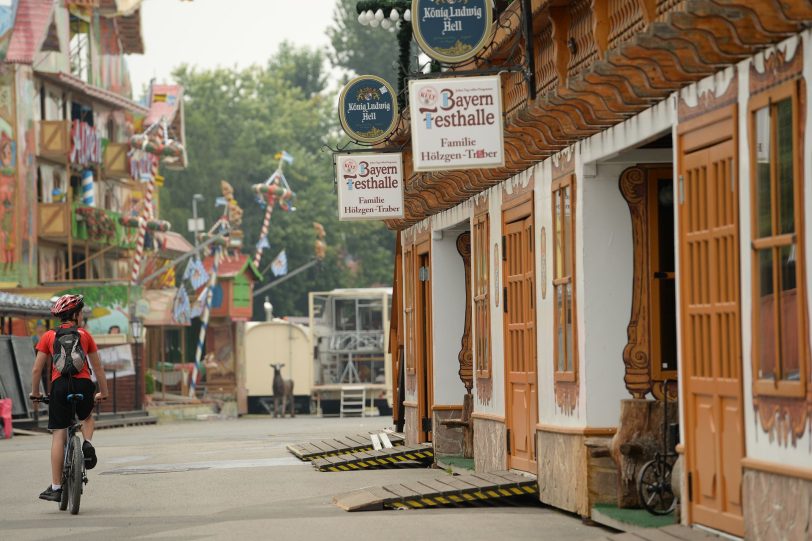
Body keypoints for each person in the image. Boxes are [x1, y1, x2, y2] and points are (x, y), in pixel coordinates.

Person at [30, 294, 108, 502]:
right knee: (87, 417)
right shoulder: (85, 335)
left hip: (59, 387)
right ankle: (87, 443)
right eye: (81, 313)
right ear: (75, 315)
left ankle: (56, 488)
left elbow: (37, 369)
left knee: (59, 433)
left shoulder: (48, 336)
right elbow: (98, 368)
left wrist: (35, 393)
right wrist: (104, 392)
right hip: (83, 384)